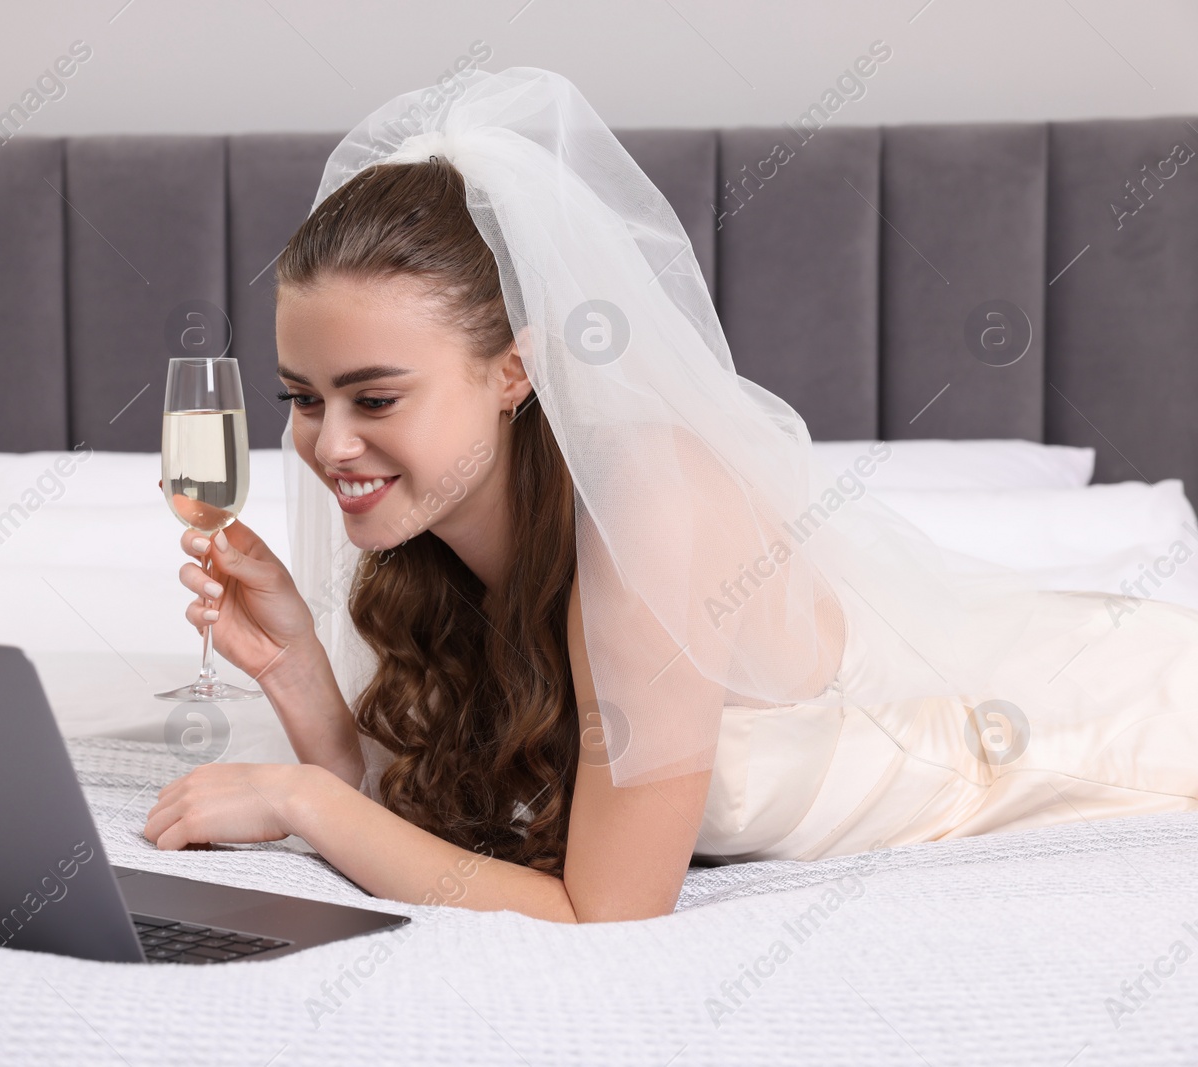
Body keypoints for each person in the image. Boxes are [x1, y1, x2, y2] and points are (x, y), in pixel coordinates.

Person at [142, 67, 1198, 920]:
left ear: (515, 368)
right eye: (301, 397)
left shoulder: (649, 502)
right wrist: (299, 676)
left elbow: (607, 909)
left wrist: (300, 798)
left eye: (375, 396)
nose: (330, 445)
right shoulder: (434, 539)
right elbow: (431, 823)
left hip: (1111, 724)